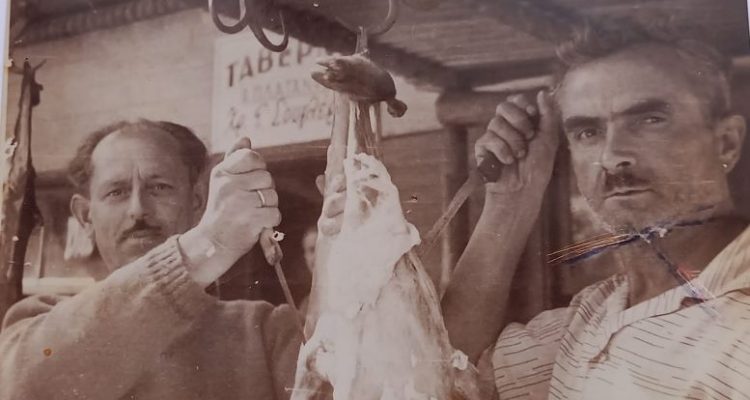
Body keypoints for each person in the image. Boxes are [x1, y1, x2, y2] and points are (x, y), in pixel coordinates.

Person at [442, 21, 750, 399]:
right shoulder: (596, 311)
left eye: (650, 120)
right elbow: (445, 371)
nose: (612, 156)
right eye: (588, 132)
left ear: (726, 143)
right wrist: (509, 201)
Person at [0, 120, 310, 400]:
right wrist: (209, 244)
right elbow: (18, 388)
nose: (138, 209)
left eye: (159, 188)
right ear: (85, 216)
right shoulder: (35, 325)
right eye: (116, 192)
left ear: (197, 202)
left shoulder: (267, 333)